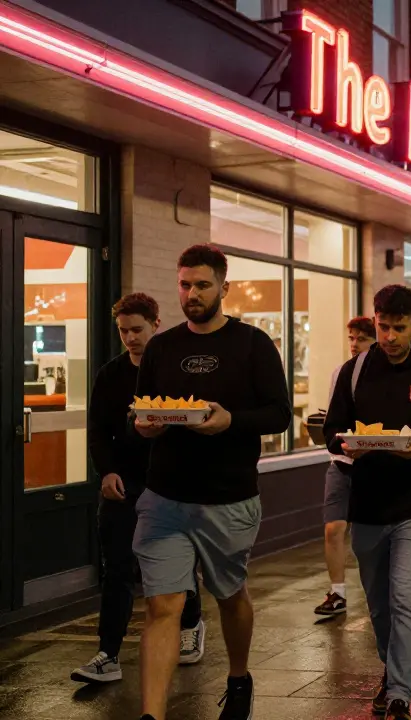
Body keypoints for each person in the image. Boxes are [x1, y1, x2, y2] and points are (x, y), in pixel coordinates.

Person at [132, 244, 292, 720]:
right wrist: (147, 424)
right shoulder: (162, 346)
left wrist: (230, 421)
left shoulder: (253, 343)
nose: (192, 293)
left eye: (202, 285)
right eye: (185, 284)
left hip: (228, 499)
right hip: (164, 497)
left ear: (225, 286)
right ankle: (151, 715)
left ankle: (238, 678)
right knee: (163, 606)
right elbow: (143, 410)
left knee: (229, 595)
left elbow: (280, 414)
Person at [324, 285, 411, 720]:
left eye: (398, 328)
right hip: (366, 504)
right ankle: (393, 670)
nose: (389, 336)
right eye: (383, 326)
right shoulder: (356, 369)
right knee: (380, 604)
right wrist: (349, 445)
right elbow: (331, 429)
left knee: (406, 597)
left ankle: (401, 692)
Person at [72, 294, 206, 684]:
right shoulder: (110, 374)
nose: (130, 338)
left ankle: (191, 623)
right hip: (124, 483)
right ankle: (107, 654)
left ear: (155, 325)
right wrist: (107, 472)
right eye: (123, 331)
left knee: (175, 566)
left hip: (170, 481)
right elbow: (97, 430)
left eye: (137, 330)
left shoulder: (174, 369)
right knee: (116, 568)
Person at [313, 317, 376, 616]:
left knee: (369, 535)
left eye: (361, 339)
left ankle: (375, 588)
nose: (354, 344)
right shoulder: (341, 372)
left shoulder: (382, 374)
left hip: (374, 465)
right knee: (333, 528)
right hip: (341, 462)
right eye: (351, 338)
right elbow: (333, 421)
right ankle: (336, 591)